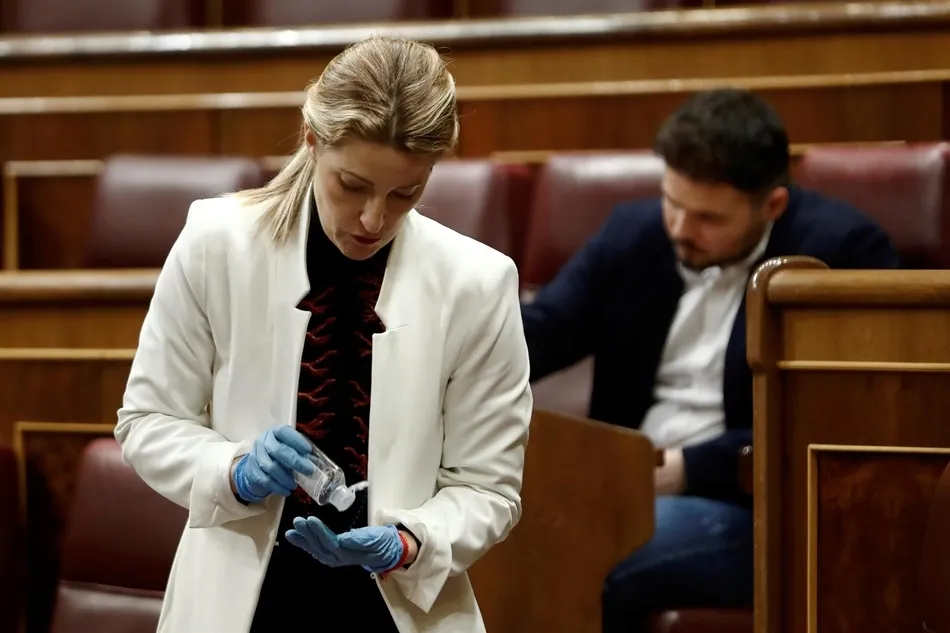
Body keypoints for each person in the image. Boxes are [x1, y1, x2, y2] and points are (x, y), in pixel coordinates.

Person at [114, 35, 532, 633]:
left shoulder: (479, 284)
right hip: (238, 606)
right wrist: (232, 470)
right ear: (312, 140)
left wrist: (409, 543)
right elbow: (146, 422)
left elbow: (488, 488)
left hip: (397, 610)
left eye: (405, 193)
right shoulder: (216, 242)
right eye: (352, 185)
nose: (373, 220)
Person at [521, 88, 900, 631]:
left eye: (706, 217)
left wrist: (689, 468)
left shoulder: (842, 254)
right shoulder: (633, 233)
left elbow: (831, 424)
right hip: (620, 481)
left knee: (579, 550)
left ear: (772, 205)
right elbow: (540, 333)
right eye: (671, 202)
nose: (679, 228)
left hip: (753, 506)